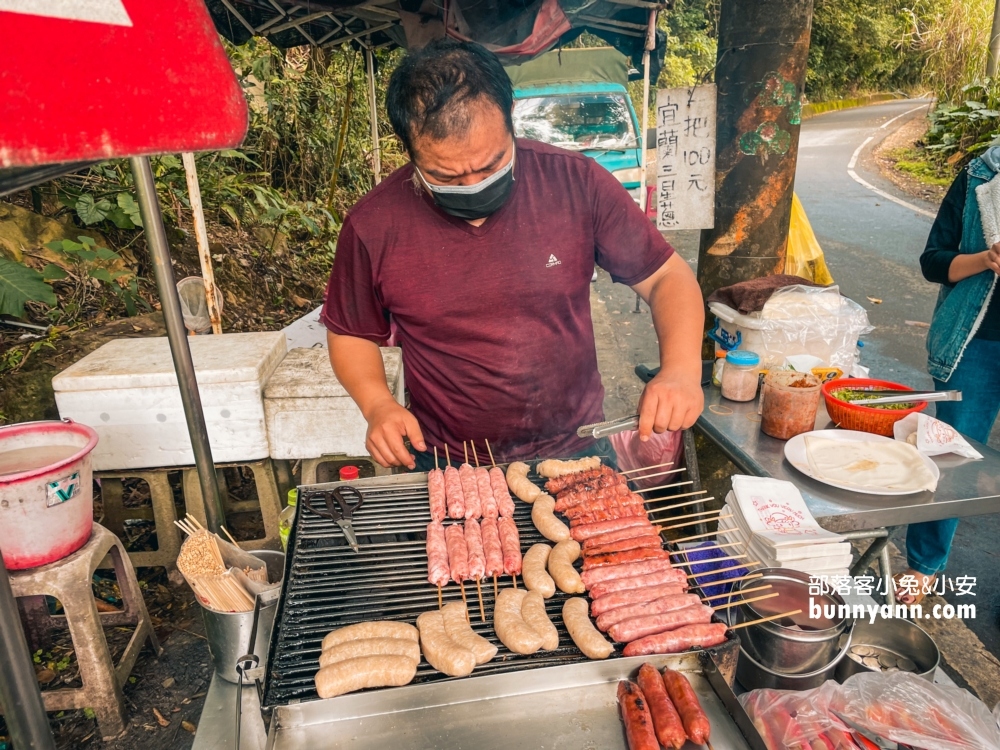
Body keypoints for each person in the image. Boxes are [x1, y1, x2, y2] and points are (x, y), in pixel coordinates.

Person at [321, 39, 705, 471]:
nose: (472, 186)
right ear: (409, 151)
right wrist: (377, 405)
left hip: (576, 444)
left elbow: (666, 278)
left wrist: (680, 371)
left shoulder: (577, 184)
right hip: (450, 460)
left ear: (511, 122)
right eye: (445, 175)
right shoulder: (374, 224)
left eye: (490, 165)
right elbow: (351, 331)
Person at [896, 145, 1000, 603]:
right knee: (951, 456)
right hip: (976, 342)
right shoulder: (982, 174)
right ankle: (924, 565)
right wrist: (986, 259)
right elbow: (933, 260)